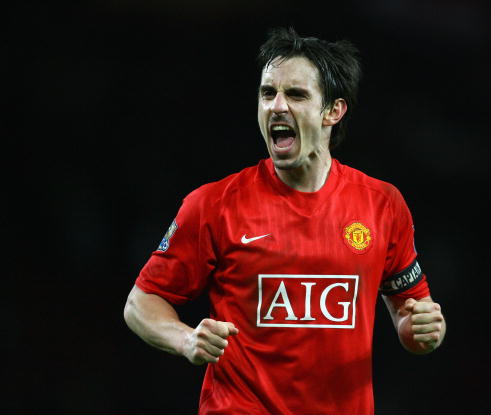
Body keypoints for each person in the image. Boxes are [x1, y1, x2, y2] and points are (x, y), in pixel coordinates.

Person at [124, 27, 446, 414]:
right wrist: (185, 339)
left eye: (295, 94)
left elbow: (412, 314)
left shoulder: (383, 205)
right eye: (267, 93)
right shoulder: (214, 204)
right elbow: (141, 302)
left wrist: (422, 331)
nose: (276, 106)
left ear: (333, 111)